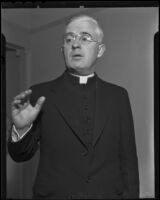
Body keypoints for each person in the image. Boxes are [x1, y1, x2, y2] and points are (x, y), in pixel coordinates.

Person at [8, 15, 139, 199]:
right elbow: (20, 155)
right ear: (63, 50)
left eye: (84, 38)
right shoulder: (39, 94)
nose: (75, 44)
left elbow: (129, 163)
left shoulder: (118, 96)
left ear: (100, 50)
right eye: (69, 39)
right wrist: (21, 129)